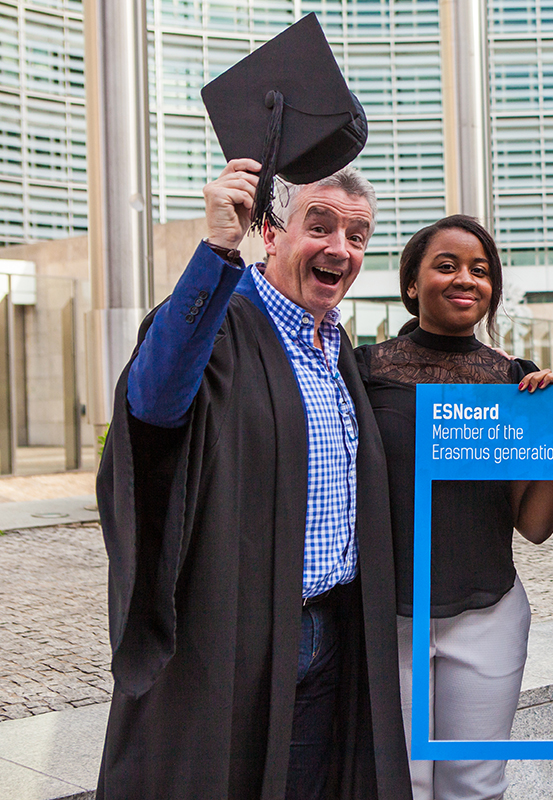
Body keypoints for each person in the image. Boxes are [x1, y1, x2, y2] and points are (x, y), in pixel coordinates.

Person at [96, 160, 411, 800]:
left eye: (357, 236)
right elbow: (153, 404)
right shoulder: (221, 326)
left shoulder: (335, 349)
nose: (340, 248)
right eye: (319, 226)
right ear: (270, 232)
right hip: (236, 633)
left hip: (330, 633)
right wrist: (217, 249)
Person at [355, 215, 553, 800]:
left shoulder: (520, 384)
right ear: (411, 283)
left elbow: (535, 526)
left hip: (487, 613)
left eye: (480, 270)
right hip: (387, 615)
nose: (465, 279)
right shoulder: (362, 371)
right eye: (446, 266)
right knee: (399, 786)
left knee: (475, 786)